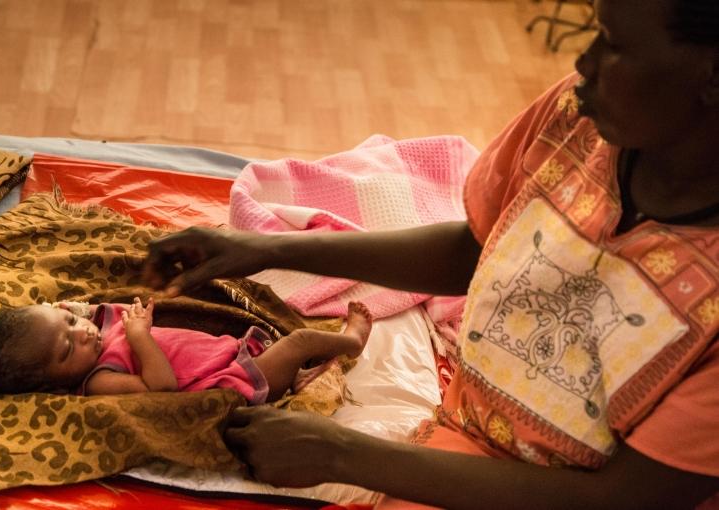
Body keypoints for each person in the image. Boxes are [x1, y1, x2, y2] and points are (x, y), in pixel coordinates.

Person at [142, 0, 719, 507]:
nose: (584, 65)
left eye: (615, 45)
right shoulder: (578, 120)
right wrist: (261, 249)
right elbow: (475, 249)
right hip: (467, 443)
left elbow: (625, 500)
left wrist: (343, 454)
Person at [0, 297, 372, 401]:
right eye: (65, 349)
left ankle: (303, 369)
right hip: (238, 382)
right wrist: (140, 335)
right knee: (298, 342)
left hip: (231, 355)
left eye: (73, 325)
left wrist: (66, 315)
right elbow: (159, 386)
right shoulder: (98, 381)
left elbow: (66, 312)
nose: (83, 333)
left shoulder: (89, 335)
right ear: (51, 384)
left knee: (293, 350)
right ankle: (351, 342)